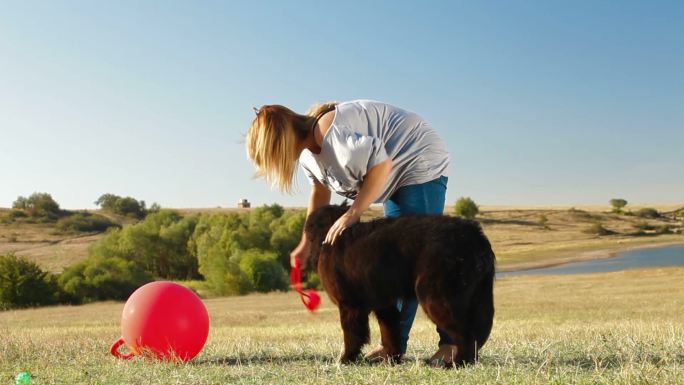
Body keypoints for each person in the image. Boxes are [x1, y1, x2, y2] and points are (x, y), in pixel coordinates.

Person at [245, 99, 454, 364]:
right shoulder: (310, 154)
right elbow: (320, 191)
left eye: (271, 157)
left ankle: (453, 344)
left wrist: (353, 213)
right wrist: (306, 243)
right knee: (392, 267)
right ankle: (393, 348)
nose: (276, 165)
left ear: (280, 144)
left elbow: (381, 165)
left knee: (419, 260)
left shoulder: (330, 136)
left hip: (417, 156)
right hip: (392, 172)